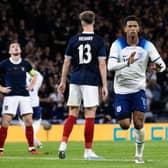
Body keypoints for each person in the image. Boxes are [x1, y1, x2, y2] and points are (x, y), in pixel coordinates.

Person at [107, 15, 166, 163]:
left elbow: (162, 65)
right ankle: (129, 127)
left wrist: (157, 68)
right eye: (129, 26)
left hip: (138, 89)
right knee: (125, 125)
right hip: (121, 91)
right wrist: (127, 62)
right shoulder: (117, 45)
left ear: (138, 29)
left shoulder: (147, 46)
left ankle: (138, 156)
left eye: (135, 26)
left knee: (139, 123)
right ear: (125, 29)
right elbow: (110, 66)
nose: (132, 28)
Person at [57, 10, 108, 159]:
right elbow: (102, 64)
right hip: (91, 81)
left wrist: (62, 81)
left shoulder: (73, 39)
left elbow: (66, 62)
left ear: (81, 23)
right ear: (94, 22)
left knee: (72, 114)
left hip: (75, 80)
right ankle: (88, 151)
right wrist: (104, 85)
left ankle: (63, 145)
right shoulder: (98, 40)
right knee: (89, 116)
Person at [0, 41, 41, 156]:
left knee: (28, 121)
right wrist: (1, 89)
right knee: (5, 122)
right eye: (13, 47)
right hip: (10, 96)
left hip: (24, 96)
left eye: (17, 46)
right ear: (9, 51)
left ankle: (32, 149)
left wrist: (32, 85)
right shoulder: (4, 64)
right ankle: (0, 149)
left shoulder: (26, 64)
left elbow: (34, 75)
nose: (15, 48)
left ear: (20, 50)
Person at [19, 59, 43, 148]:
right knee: (37, 120)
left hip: (23, 101)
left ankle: (32, 138)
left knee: (22, 121)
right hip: (34, 101)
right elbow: (37, 87)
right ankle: (33, 137)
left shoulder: (19, 74)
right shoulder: (39, 75)